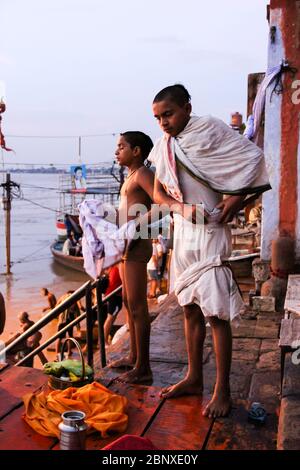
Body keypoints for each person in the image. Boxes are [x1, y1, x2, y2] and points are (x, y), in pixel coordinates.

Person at [149, 84, 270, 418]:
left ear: (187, 107)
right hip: (184, 233)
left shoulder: (211, 130)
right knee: (188, 308)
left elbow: (254, 160)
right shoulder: (164, 145)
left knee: (216, 314)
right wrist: (179, 207)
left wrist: (235, 200)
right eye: (158, 118)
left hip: (212, 232)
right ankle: (193, 376)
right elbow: (158, 193)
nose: (164, 123)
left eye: (168, 114)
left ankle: (223, 390)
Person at [108, 131, 154, 385]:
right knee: (127, 302)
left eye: (121, 146)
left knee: (138, 306)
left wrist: (136, 228)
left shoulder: (144, 174)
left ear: (136, 151)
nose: (117, 151)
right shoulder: (130, 177)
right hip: (126, 246)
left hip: (137, 245)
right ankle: (133, 355)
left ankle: (143, 368)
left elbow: (161, 205)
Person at [55, 291, 83, 359]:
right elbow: (80, 307)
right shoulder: (73, 297)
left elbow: (56, 306)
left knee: (60, 337)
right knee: (69, 335)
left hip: (64, 318)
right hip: (68, 318)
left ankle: (58, 353)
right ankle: (68, 351)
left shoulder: (63, 296)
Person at [103, 264, 123, 345]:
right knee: (110, 318)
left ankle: (105, 339)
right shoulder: (117, 267)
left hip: (115, 295)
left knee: (112, 318)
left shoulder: (114, 267)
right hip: (113, 295)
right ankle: (104, 341)